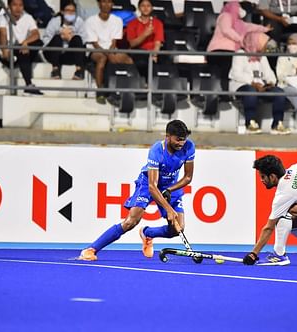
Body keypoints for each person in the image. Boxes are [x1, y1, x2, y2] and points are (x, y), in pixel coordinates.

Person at [78, 119, 195, 261]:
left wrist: (169, 190)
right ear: (167, 136)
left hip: (171, 185)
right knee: (130, 221)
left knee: (178, 229)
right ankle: (90, 249)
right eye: (178, 140)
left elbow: (188, 177)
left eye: (183, 140)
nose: (181, 144)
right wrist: (169, 209)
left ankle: (148, 233)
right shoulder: (157, 150)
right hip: (148, 183)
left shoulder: (189, 147)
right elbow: (152, 186)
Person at [207, 1, 272, 99]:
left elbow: (250, 27)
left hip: (232, 51)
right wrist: (240, 39)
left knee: (236, 59)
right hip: (218, 50)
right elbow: (226, 30)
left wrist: (264, 29)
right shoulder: (225, 16)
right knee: (229, 63)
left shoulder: (239, 23)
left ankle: (228, 93)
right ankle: (224, 94)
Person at [229, 32, 291, 135]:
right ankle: (250, 123)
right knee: (251, 91)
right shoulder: (240, 53)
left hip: (261, 87)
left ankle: (277, 124)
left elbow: (269, 74)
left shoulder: (262, 56)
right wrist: (253, 83)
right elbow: (237, 74)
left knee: (279, 92)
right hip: (242, 85)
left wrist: (270, 83)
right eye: (263, 45)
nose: (265, 48)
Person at [85, 0, 133, 104]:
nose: (106, 5)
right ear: (99, 4)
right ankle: (100, 91)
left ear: (112, 4)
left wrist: (111, 53)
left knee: (127, 59)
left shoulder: (117, 20)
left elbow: (114, 42)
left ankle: (130, 89)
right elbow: (94, 43)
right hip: (95, 50)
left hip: (111, 49)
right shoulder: (90, 21)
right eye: (104, 2)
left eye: (109, 2)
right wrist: (108, 55)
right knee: (102, 58)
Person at [0, 0, 44, 95]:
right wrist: (5, 52)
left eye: (20, 5)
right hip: (9, 52)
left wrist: (25, 42)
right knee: (22, 52)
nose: (18, 8)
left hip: (21, 48)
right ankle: (29, 85)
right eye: (14, 5)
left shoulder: (28, 17)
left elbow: (36, 34)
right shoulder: (3, 18)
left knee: (37, 43)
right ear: (9, 6)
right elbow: (2, 34)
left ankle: (28, 86)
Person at [42, 0, 86, 80]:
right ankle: (55, 70)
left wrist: (70, 38)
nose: (70, 13)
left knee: (77, 38)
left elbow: (83, 41)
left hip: (70, 54)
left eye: (73, 11)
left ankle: (79, 71)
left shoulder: (79, 22)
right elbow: (46, 40)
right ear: (62, 11)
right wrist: (61, 36)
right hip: (53, 54)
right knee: (57, 38)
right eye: (68, 10)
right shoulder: (54, 21)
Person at [126, 0, 165, 80]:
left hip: (153, 53)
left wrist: (154, 54)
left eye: (148, 6)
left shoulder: (158, 23)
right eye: (143, 6)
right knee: (142, 61)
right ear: (139, 8)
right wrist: (144, 34)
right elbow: (132, 44)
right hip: (138, 52)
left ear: (151, 8)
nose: (146, 8)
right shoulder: (132, 24)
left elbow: (158, 42)